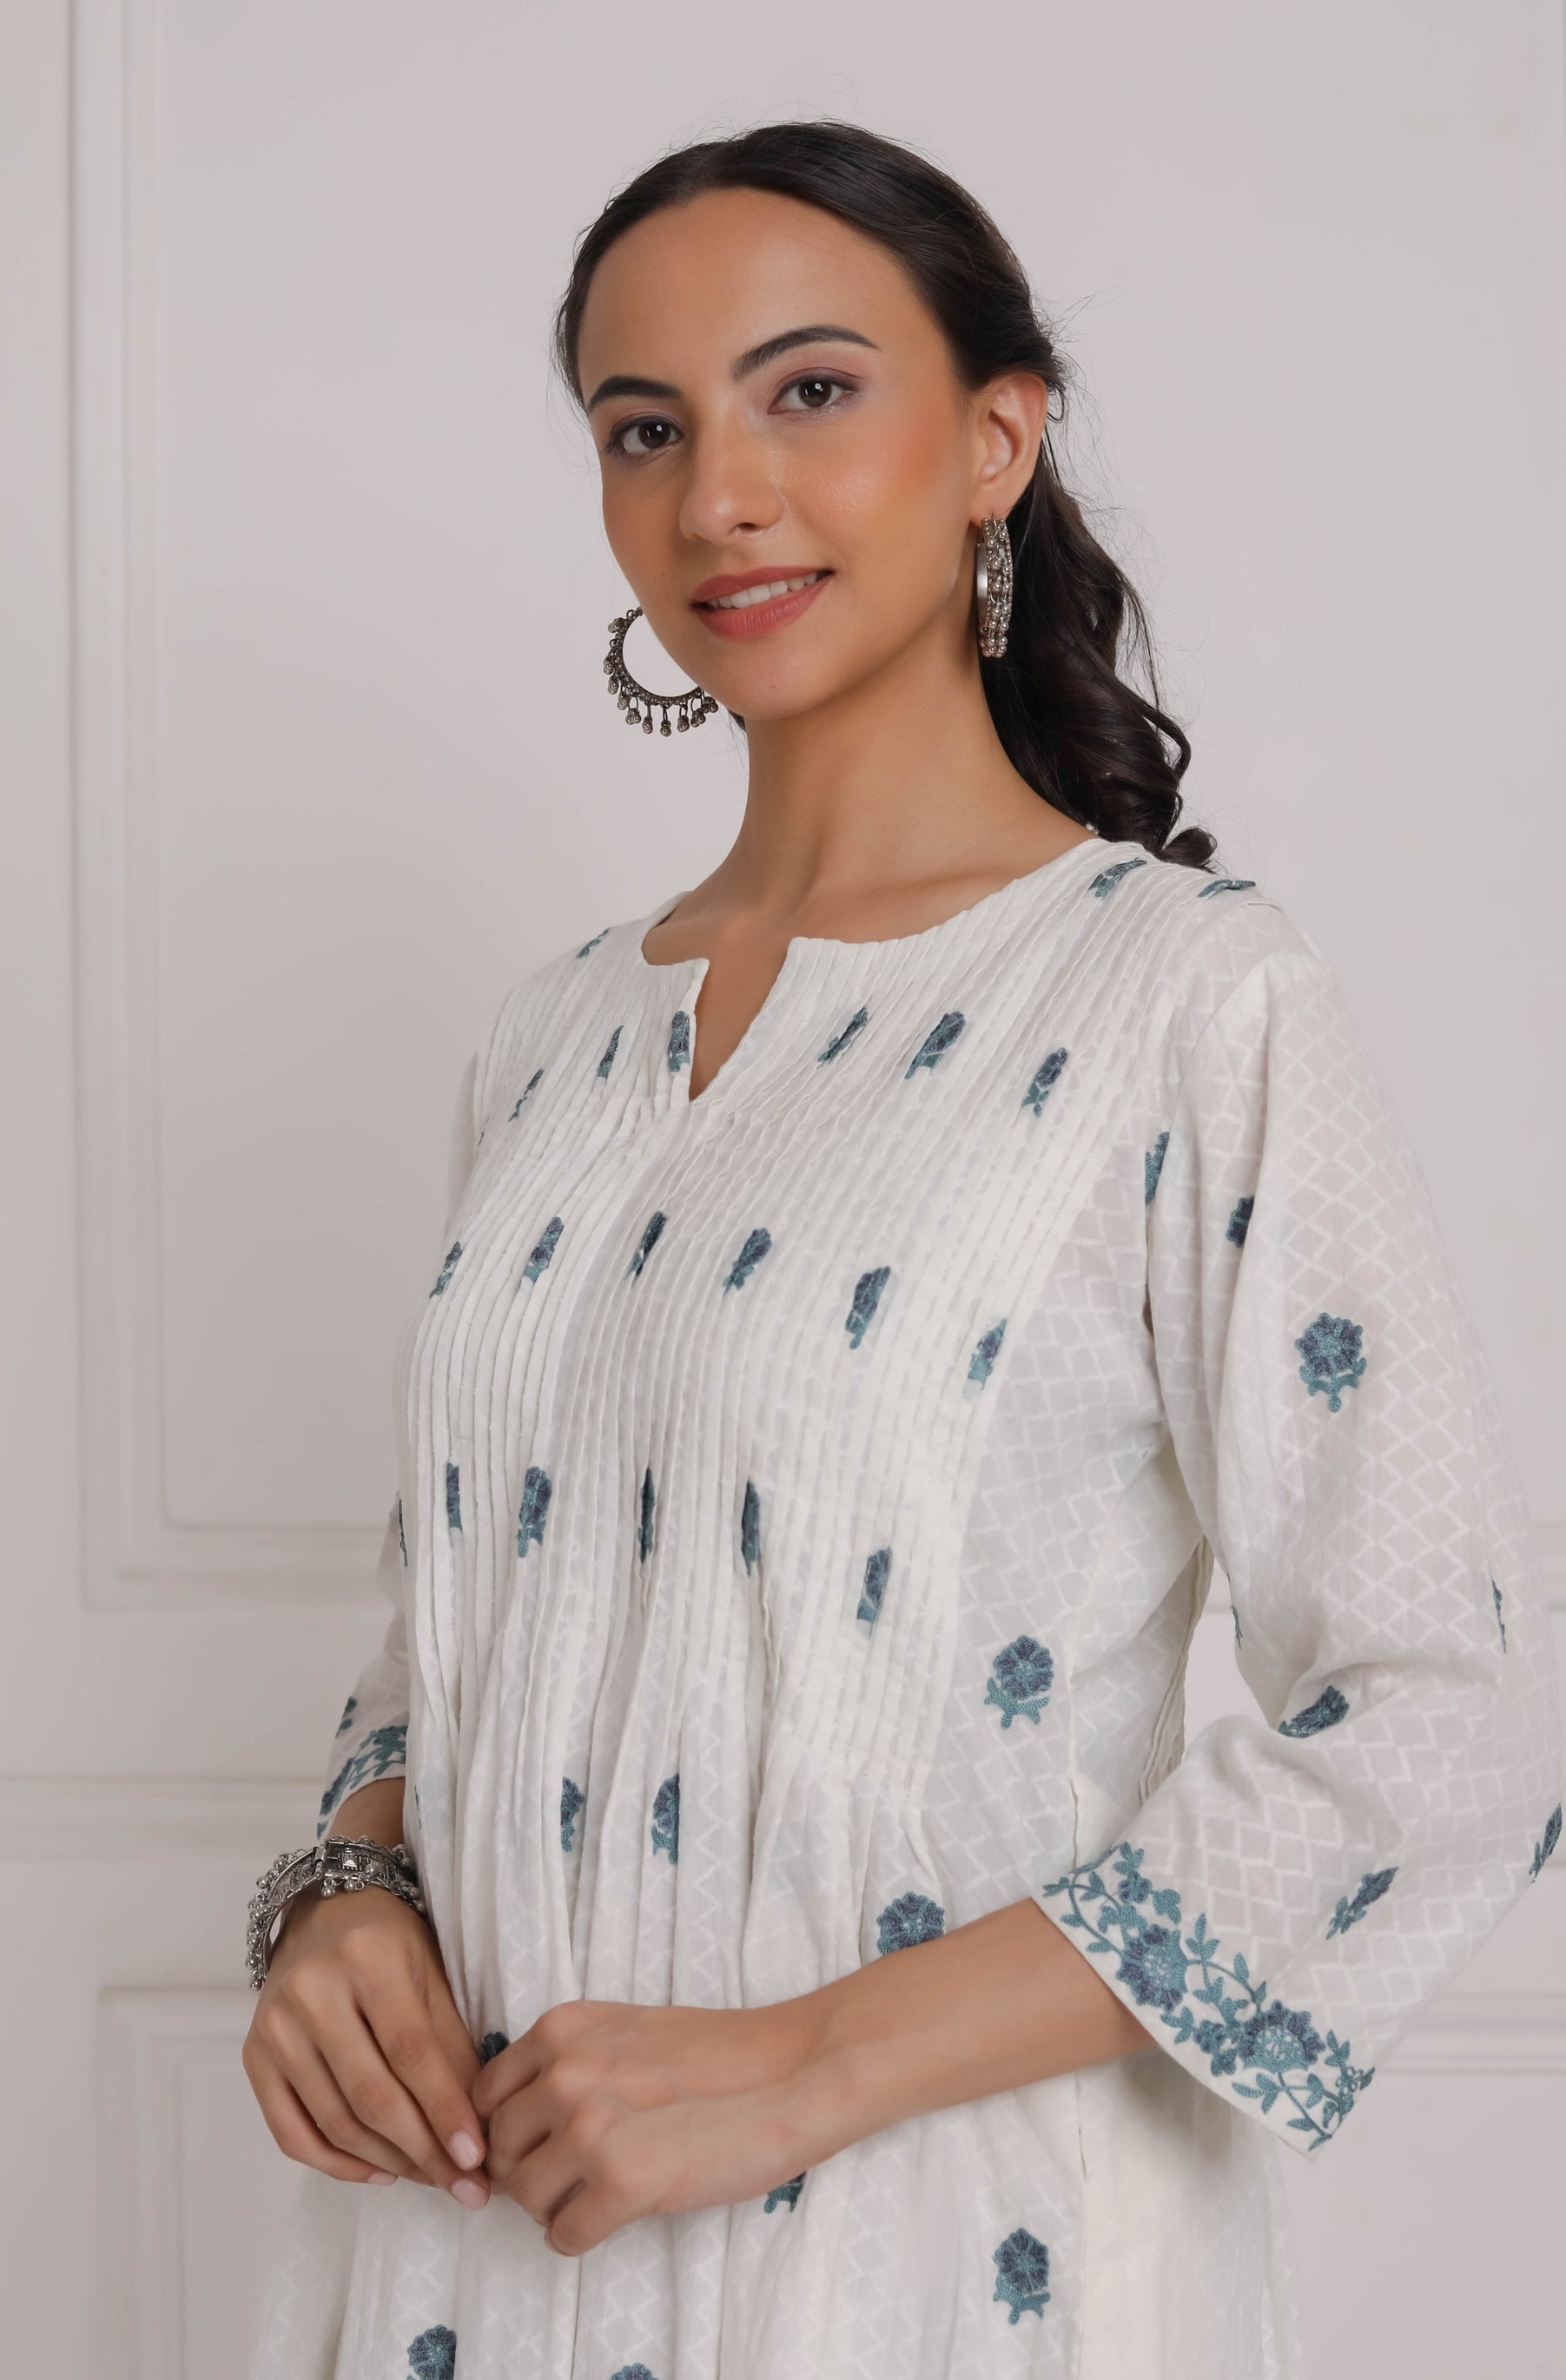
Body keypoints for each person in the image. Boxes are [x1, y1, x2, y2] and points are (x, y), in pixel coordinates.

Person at [241, 119, 1563, 2380]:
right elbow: (466, 1614)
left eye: (811, 392)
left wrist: (808, 2063)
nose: (720, 495)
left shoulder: (1185, 1003)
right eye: (644, 428)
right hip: (473, 2256)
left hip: (936, 2272)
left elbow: (1446, 1719)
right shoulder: (554, 1040)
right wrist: (345, 1891)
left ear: (994, 440)